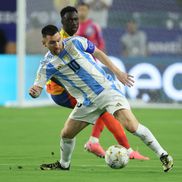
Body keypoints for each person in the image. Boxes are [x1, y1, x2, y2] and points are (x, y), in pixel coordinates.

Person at [29, 25, 173, 172]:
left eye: (58, 40)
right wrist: (34, 92)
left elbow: (97, 53)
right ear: (44, 43)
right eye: (52, 42)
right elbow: (37, 89)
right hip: (86, 102)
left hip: (106, 90)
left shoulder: (75, 42)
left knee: (131, 126)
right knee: (66, 134)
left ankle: (164, 155)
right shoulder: (46, 66)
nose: (58, 44)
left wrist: (117, 72)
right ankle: (64, 164)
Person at [45, 6, 148, 160]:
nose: (75, 21)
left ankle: (94, 141)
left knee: (102, 106)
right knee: (104, 107)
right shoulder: (61, 40)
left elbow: (98, 48)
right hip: (61, 91)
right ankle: (127, 149)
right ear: (63, 22)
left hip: (84, 76)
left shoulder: (91, 28)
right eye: (71, 19)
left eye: (77, 17)